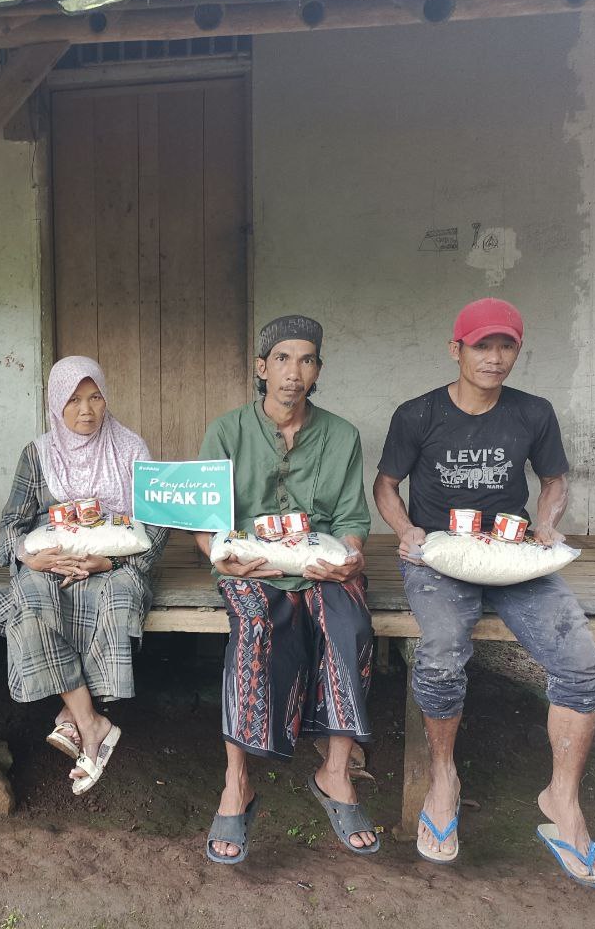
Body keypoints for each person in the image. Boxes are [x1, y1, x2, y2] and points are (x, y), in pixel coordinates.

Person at [373, 298, 595, 887]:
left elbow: (554, 480)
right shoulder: (418, 414)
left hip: (511, 555)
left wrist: (547, 523)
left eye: (506, 346)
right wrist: (406, 531)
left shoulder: (532, 412)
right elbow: (385, 486)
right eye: (482, 345)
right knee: (441, 654)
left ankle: (562, 800)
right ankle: (443, 778)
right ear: (455, 349)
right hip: (441, 559)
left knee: (583, 666)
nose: (495, 357)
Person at [196, 315, 378, 865]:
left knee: (348, 623)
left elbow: (351, 520)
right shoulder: (226, 431)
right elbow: (204, 524)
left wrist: (349, 558)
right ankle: (237, 783)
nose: (293, 372)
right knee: (255, 627)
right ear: (262, 368)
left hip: (319, 566)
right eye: (282, 359)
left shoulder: (342, 435)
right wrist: (225, 558)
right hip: (252, 567)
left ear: (318, 370)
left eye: (306, 360)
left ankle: (335, 772)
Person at [0, 356, 169, 794]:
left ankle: (73, 717)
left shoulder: (131, 449)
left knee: (117, 596)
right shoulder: (38, 454)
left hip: (113, 565)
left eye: (95, 397)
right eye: (73, 400)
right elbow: (11, 525)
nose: (86, 410)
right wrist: (29, 558)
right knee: (30, 598)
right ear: (55, 404)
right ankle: (90, 721)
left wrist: (112, 562)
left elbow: (156, 525)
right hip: (53, 564)